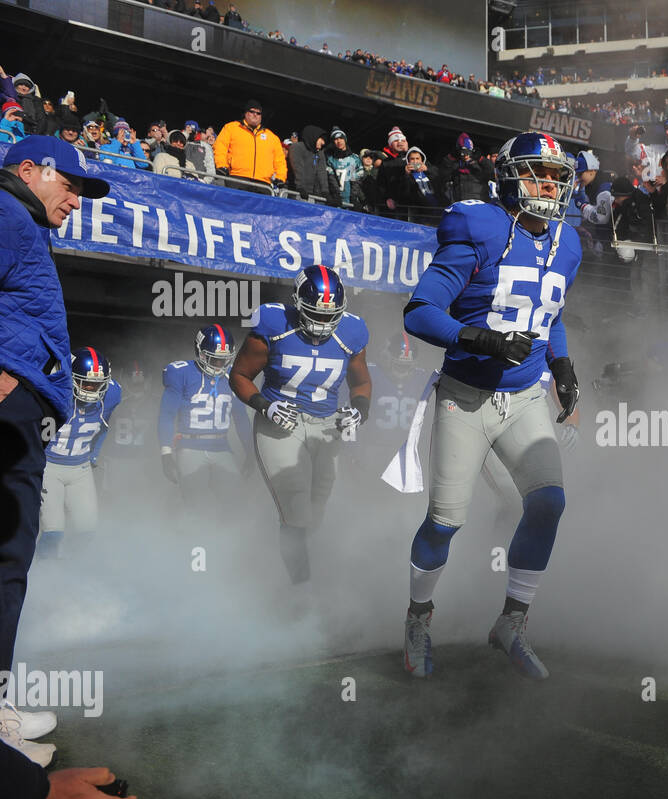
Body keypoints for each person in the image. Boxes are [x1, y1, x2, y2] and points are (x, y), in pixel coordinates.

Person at [401, 132, 581, 680]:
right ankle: (417, 617)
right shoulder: (480, 227)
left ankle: (512, 623)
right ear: (507, 176)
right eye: (535, 174)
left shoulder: (567, 242)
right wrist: (478, 339)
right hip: (466, 396)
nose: (548, 186)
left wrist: (563, 364)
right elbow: (420, 310)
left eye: (555, 176)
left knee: (548, 502)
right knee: (446, 520)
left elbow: (548, 312)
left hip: (524, 396)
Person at [0, 139, 135, 799]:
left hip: (23, 416)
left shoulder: (24, 225)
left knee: (9, 567)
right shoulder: (5, 212)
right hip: (7, 410)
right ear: (27, 169)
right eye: (69, 182)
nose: (77, 198)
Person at [230, 267, 370, 583]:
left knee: (317, 509)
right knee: (296, 509)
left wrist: (360, 411)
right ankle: (300, 589)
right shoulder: (273, 324)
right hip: (280, 423)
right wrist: (265, 406)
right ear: (297, 303)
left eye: (329, 315)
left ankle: (280, 550)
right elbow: (239, 376)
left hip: (326, 424)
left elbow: (361, 384)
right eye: (314, 314)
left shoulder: (352, 332)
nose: (322, 324)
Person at [36, 346, 120, 560]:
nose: (91, 389)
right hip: (49, 467)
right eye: (86, 383)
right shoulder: (53, 391)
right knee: (53, 531)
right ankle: (44, 571)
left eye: (97, 384)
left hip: (80, 468)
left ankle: (70, 570)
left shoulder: (112, 395)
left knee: (86, 531)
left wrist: (94, 456)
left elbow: (104, 426)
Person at [159, 324, 253, 506]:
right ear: (200, 352)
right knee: (195, 502)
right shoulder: (182, 373)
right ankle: (187, 531)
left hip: (221, 446)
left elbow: (241, 418)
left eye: (223, 360)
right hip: (190, 445)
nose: (219, 365)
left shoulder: (233, 376)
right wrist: (165, 452)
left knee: (236, 501)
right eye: (213, 359)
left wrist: (250, 451)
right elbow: (167, 414)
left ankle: (227, 534)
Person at [214, 100, 286, 189]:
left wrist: (280, 177)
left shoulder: (272, 137)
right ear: (245, 113)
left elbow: (280, 160)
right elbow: (220, 147)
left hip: (263, 183)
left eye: (258, 113)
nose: (255, 115)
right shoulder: (231, 128)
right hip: (237, 178)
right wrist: (221, 165)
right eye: (252, 112)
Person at [325, 128, 363, 208]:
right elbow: (331, 179)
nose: (339, 141)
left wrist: (353, 197)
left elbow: (355, 179)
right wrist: (336, 194)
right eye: (336, 139)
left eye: (341, 138)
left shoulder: (354, 159)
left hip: (350, 201)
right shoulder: (330, 160)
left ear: (345, 139)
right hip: (337, 200)